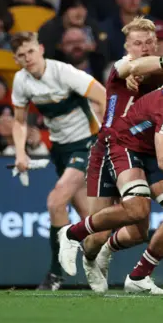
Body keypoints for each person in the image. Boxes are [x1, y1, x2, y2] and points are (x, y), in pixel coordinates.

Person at [58, 79, 163, 294]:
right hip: (121, 144)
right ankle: (74, 237)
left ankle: (139, 276)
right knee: (106, 230)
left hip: (148, 150)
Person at [81, 17, 163, 292]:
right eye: (137, 43)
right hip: (109, 148)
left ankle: (121, 261)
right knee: (98, 233)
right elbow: (128, 67)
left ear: (155, 44)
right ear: (127, 45)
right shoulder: (122, 67)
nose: (143, 47)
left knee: (140, 230)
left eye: (148, 42)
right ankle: (90, 257)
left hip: (146, 150)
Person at [10, 31, 106, 291]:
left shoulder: (65, 72)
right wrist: (20, 153)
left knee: (55, 202)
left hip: (88, 143)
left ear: (41, 49)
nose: (27, 58)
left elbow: (103, 95)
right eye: (21, 55)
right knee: (92, 220)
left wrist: (108, 135)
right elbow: (19, 122)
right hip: (61, 150)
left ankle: (55, 274)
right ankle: (146, 241)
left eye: (30, 51)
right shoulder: (21, 81)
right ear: (16, 60)